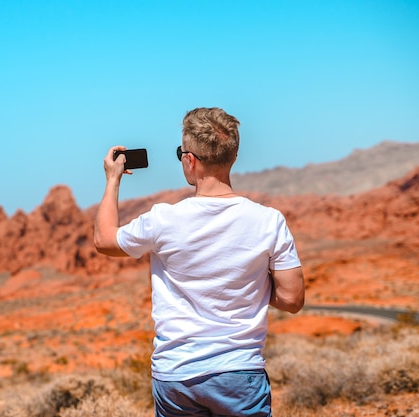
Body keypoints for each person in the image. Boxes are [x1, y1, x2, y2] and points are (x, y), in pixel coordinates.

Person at [94, 107, 305, 417]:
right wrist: (249, 283)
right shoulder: (269, 221)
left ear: (189, 160)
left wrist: (113, 179)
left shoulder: (162, 220)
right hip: (239, 372)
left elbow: (104, 240)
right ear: (233, 157)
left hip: (177, 375)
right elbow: (292, 299)